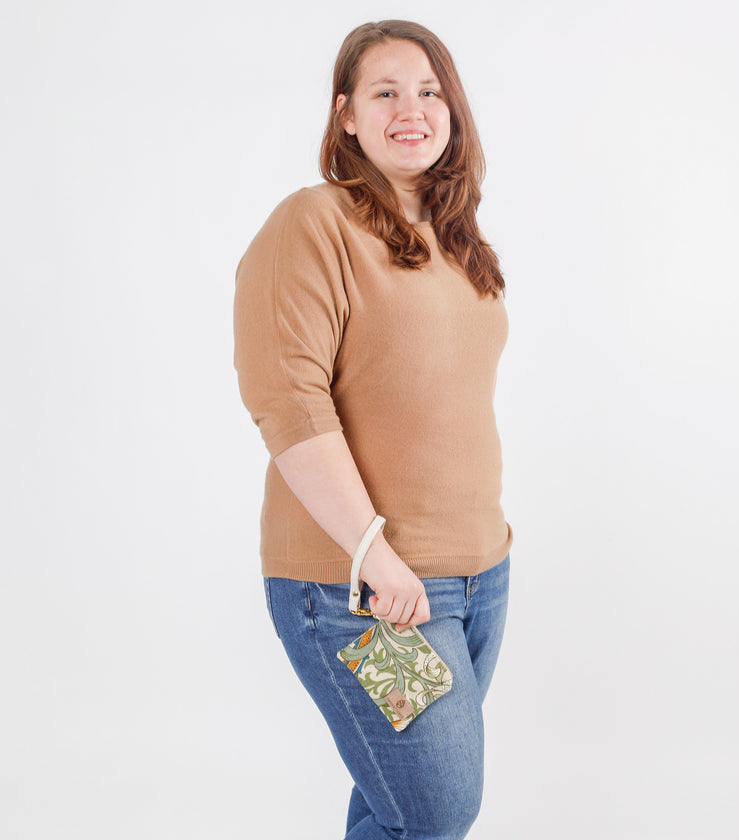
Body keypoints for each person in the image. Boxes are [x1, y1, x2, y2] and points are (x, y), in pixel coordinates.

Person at [233, 19, 513, 840]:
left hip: (476, 579)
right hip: (367, 593)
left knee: (396, 811)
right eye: (386, 91)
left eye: (430, 92)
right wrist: (373, 556)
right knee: (434, 809)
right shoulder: (313, 223)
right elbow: (287, 399)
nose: (411, 109)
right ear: (346, 114)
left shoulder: (458, 241)